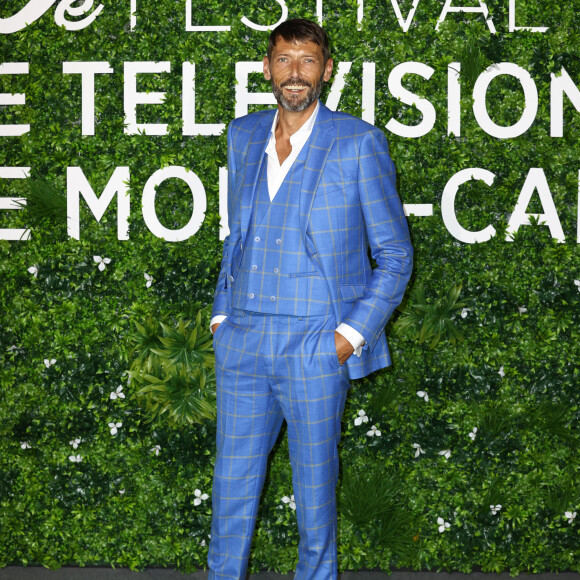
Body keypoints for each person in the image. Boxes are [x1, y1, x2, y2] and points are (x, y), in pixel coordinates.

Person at [208, 18, 413, 579]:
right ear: (266, 67)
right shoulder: (242, 135)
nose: (293, 73)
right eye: (282, 60)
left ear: (326, 69)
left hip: (316, 342)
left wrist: (348, 336)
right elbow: (237, 233)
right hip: (243, 337)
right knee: (230, 490)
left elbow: (395, 256)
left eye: (306, 61)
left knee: (315, 496)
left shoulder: (358, 142)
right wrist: (221, 315)